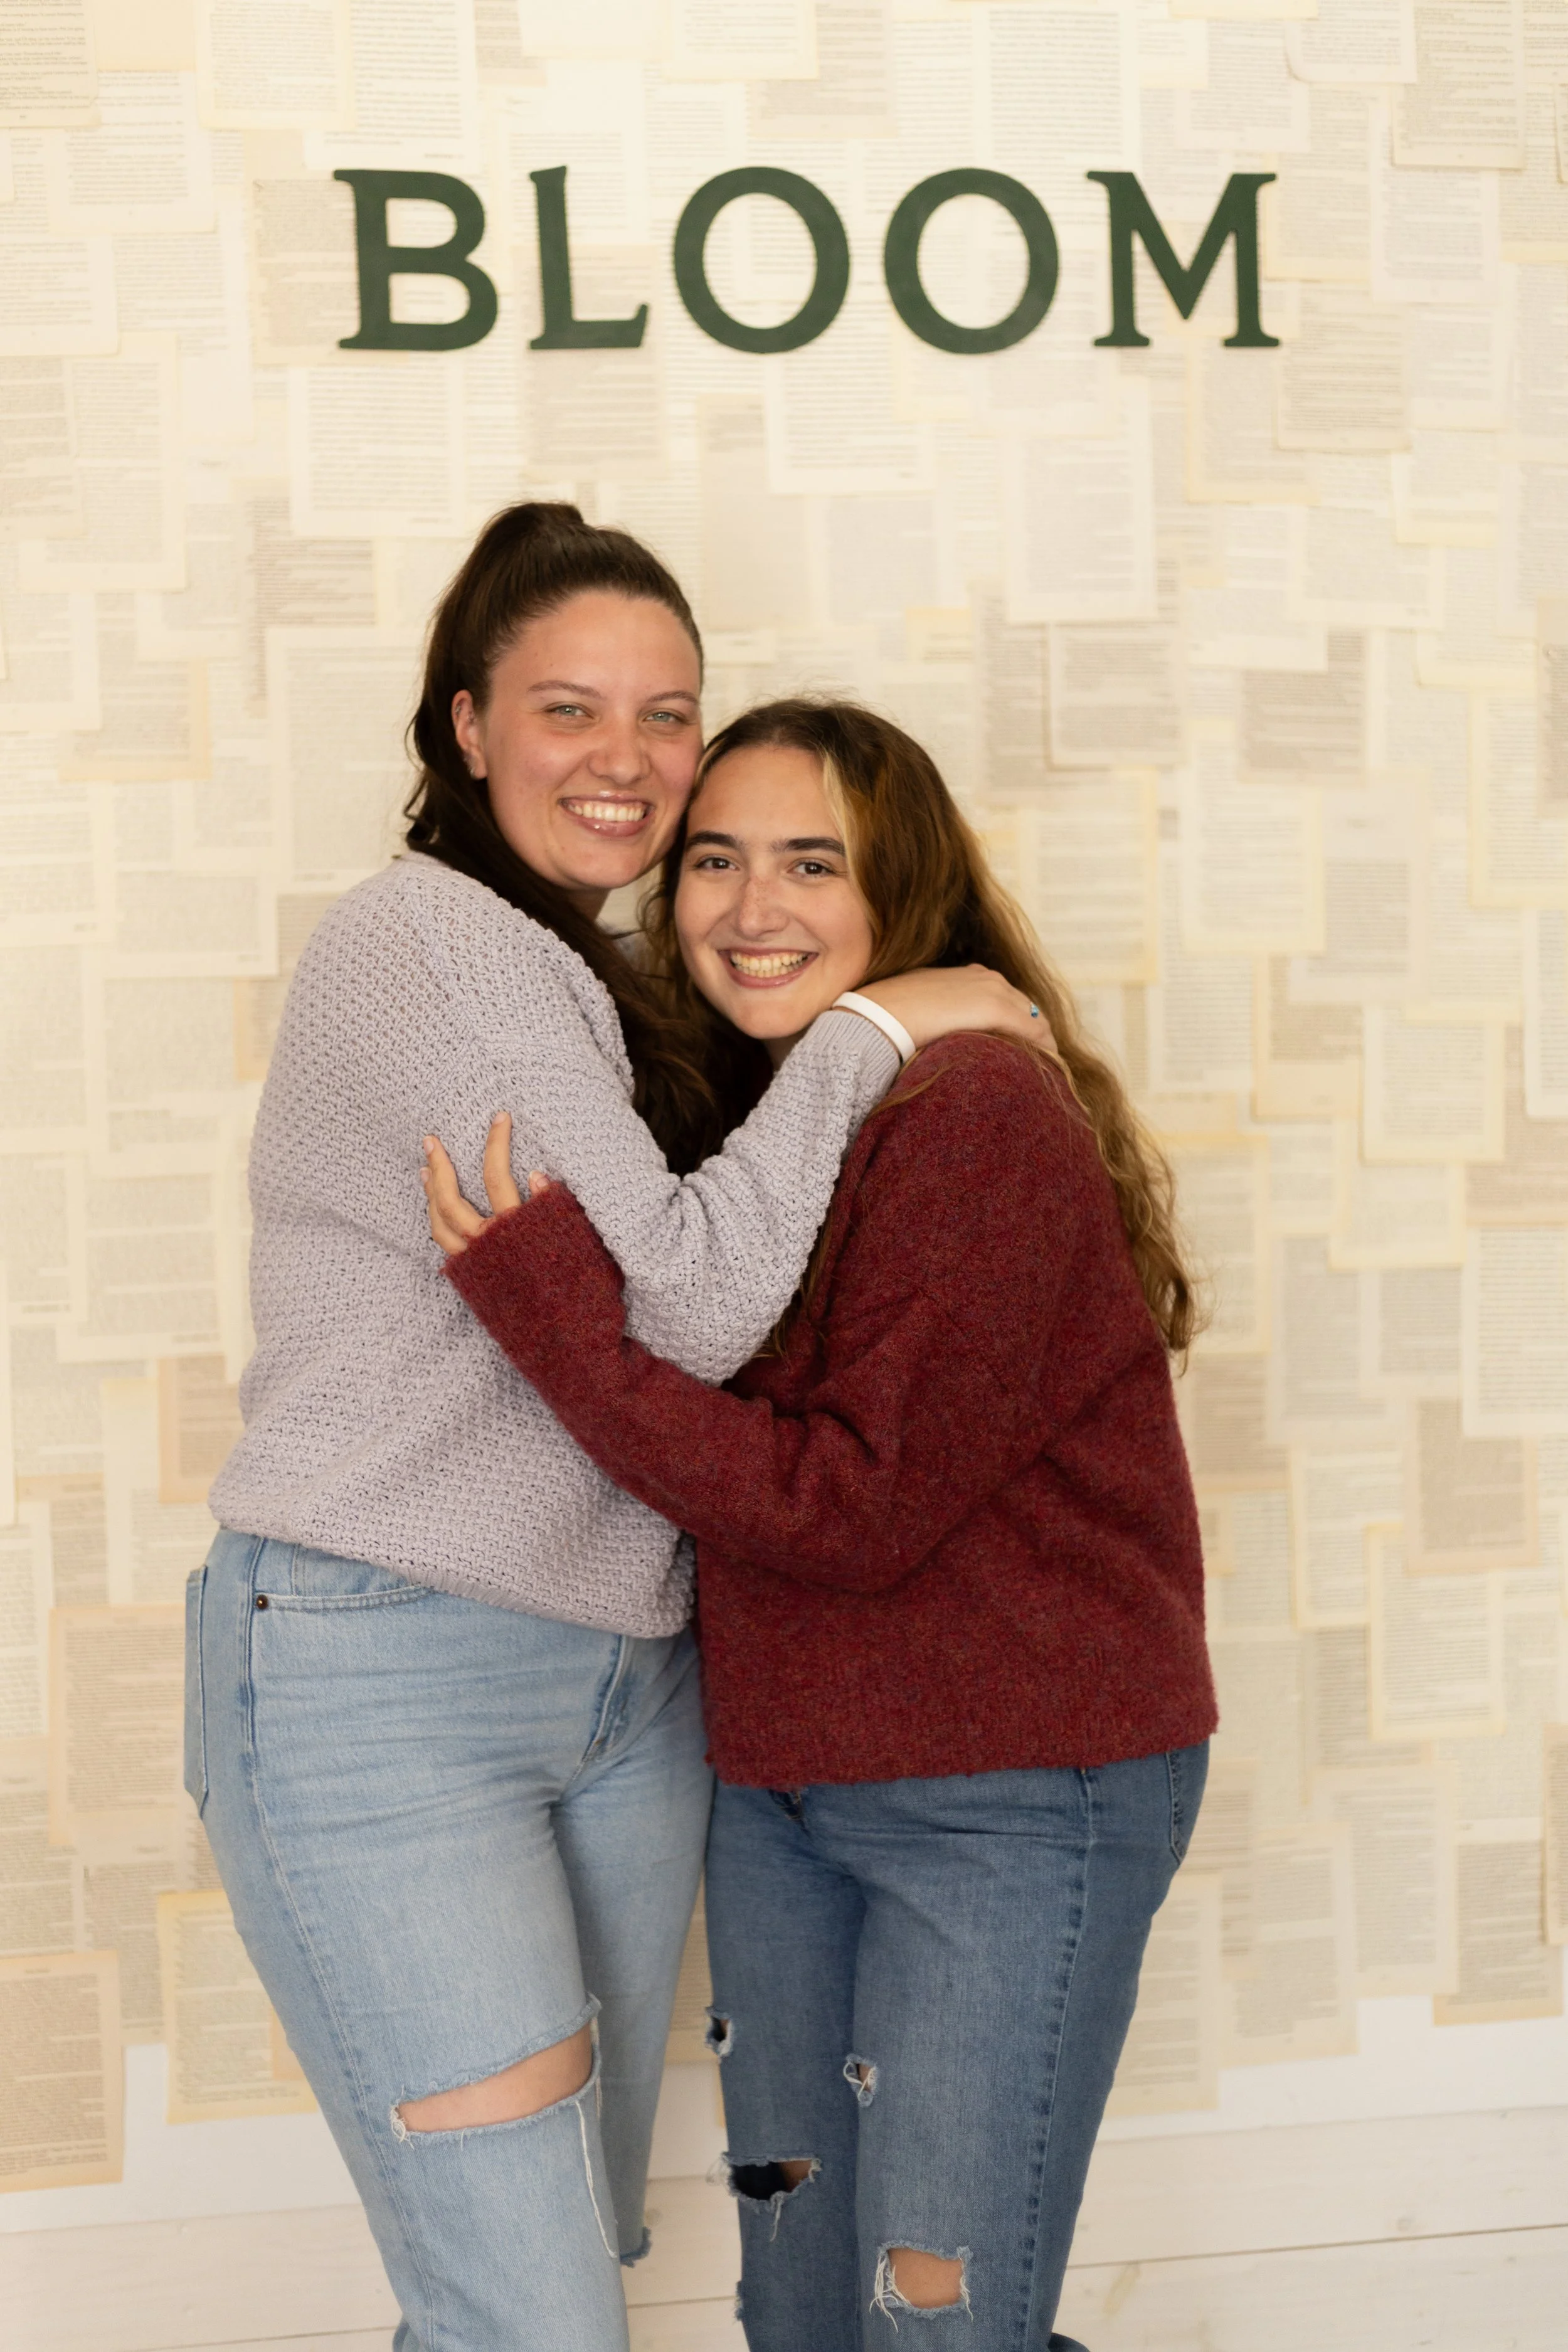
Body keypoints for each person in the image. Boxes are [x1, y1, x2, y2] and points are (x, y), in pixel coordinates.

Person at [192, 509, 1040, 2352]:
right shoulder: (425, 939)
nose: (631, 760)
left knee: (566, 2264)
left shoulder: (586, 979)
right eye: (569, 707)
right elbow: (679, 1307)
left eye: (669, 714)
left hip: (623, 1684)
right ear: (465, 721)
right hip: (383, 1673)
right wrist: (885, 1028)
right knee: (531, 2311)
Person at [421, 698, 1218, 2352]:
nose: (747, 905)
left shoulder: (972, 1114)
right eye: (713, 858)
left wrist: (549, 1322)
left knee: (931, 2320)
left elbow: (838, 1507)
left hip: (1014, 1800)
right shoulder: (774, 1125)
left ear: (900, 895)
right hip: (791, 1796)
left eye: (808, 861)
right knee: (804, 2314)